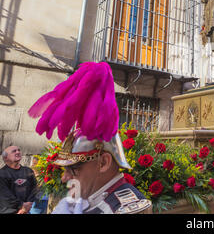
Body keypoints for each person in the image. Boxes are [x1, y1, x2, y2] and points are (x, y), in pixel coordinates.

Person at [27, 62, 152, 214]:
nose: (64, 178)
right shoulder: (86, 198)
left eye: (73, 169)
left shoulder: (125, 209)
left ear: (103, 163)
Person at [0, 146, 38, 214]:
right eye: (14, 151)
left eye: (18, 150)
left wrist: (27, 206)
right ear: (6, 158)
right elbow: (5, 196)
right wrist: (21, 206)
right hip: (8, 211)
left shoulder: (28, 171)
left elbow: (34, 189)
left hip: (26, 211)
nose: (18, 152)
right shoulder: (2, 174)